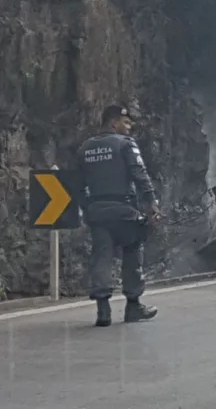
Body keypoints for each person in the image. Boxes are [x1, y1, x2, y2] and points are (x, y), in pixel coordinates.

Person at [76, 105, 161, 327]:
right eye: (126, 123)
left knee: (101, 258)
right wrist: (151, 203)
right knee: (133, 252)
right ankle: (133, 306)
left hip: (97, 213)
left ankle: (103, 311)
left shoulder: (85, 149)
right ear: (113, 123)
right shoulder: (125, 144)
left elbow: (76, 185)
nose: (129, 127)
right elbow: (139, 174)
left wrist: (87, 208)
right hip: (123, 212)